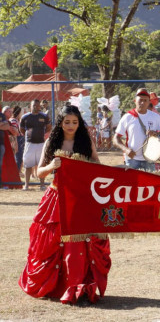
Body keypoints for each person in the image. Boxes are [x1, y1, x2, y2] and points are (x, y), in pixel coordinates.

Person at [19, 104, 111, 304]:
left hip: (81, 199)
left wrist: (87, 165)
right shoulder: (52, 141)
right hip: (57, 198)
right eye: (67, 122)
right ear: (60, 123)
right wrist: (52, 165)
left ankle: (81, 287)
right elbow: (39, 172)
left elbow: (98, 165)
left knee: (80, 244)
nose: (71, 126)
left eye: (74, 122)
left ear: (79, 123)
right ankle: (57, 287)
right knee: (55, 242)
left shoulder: (85, 141)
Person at [113, 88, 160, 171]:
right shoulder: (128, 117)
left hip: (150, 159)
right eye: (140, 100)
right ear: (135, 101)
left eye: (145, 100)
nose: (142, 102)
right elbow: (115, 138)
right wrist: (126, 150)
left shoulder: (155, 117)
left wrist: (157, 134)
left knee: (149, 183)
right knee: (132, 183)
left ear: (149, 102)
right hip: (132, 160)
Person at [20, 99, 52, 190]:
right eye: (34, 105)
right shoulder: (25, 117)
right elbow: (21, 129)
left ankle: (42, 185)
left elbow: (49, 127)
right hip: (29, 144)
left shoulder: (44, 116)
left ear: (39, 106)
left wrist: (43, 134)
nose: (36, 107)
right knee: (27, 164)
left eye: (37, 105)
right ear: (30, 106)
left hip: (41, 144)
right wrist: (29, 134)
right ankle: (26, 185)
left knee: (41, 164)